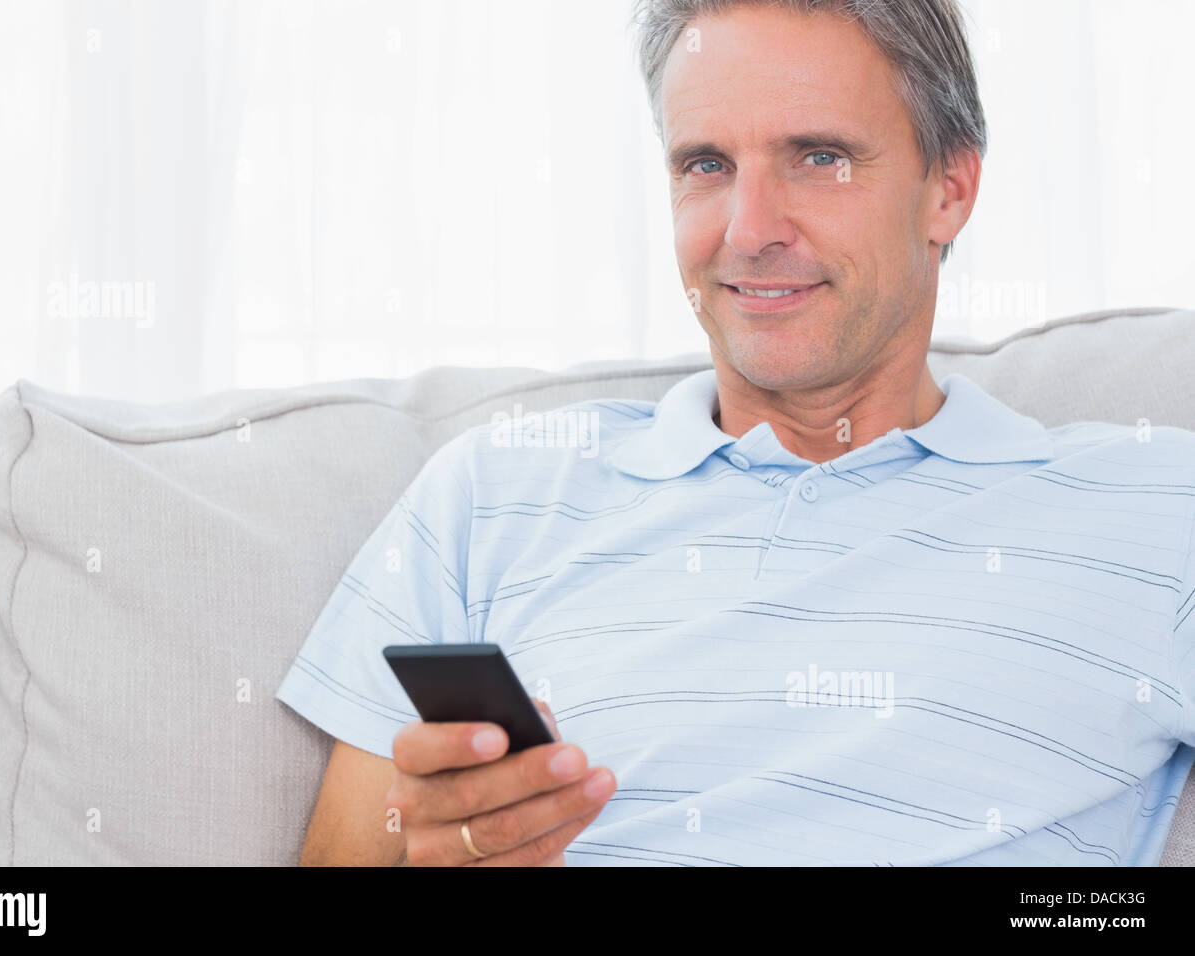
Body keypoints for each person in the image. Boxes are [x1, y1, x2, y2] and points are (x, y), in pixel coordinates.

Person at [276, 0, 1195, 865]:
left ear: (947, 189)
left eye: (818, 156)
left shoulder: (1157, 506)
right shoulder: (491, 492)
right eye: (706, 165)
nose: (748, 231)